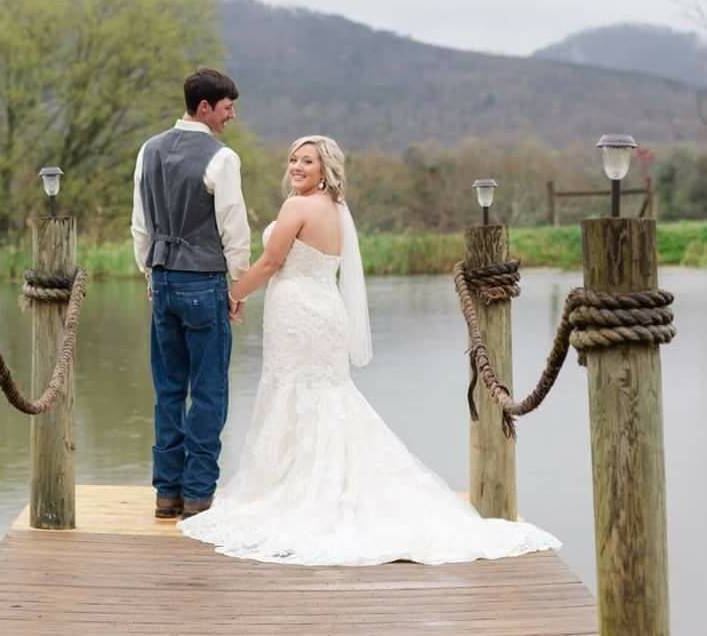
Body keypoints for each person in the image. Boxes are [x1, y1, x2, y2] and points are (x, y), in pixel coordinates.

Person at [178, 135, 561, 565]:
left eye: (308, 160)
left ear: (326, 169)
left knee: (294, 391)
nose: (297, 166)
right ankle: (319, 481)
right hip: (325, 308)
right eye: (293, 159)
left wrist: (234, 294)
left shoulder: (297, 207)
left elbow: (270, 261)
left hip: (297, 311)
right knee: (323, 393)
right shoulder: (337, 210)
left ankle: (293, 486)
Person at [131, 68, 251, 520]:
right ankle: (198, 496)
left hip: (162, 280)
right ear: (205, 107)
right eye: (226, 107)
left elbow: (140, 223)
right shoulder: (222, 158)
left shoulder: (149, 150)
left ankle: (167, 494)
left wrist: (150, 273)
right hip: (203, 283)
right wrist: (235, 287)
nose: (231, 116)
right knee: (208, 391)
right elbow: (233, 228)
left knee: (167, 389)